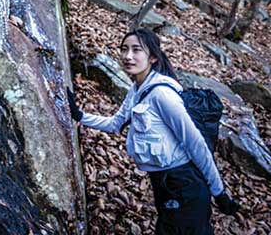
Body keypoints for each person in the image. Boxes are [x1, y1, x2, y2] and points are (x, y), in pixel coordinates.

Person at [67, 28, 239, 234]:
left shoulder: (162, 95)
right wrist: (79, 115)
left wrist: (219, 193)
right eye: (124, 49)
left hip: (184, 185)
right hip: (163, 183)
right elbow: (116, 123)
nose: (128, 56)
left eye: (136, 50)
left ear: (153, 58)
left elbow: (196, 144)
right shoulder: (137, 90)